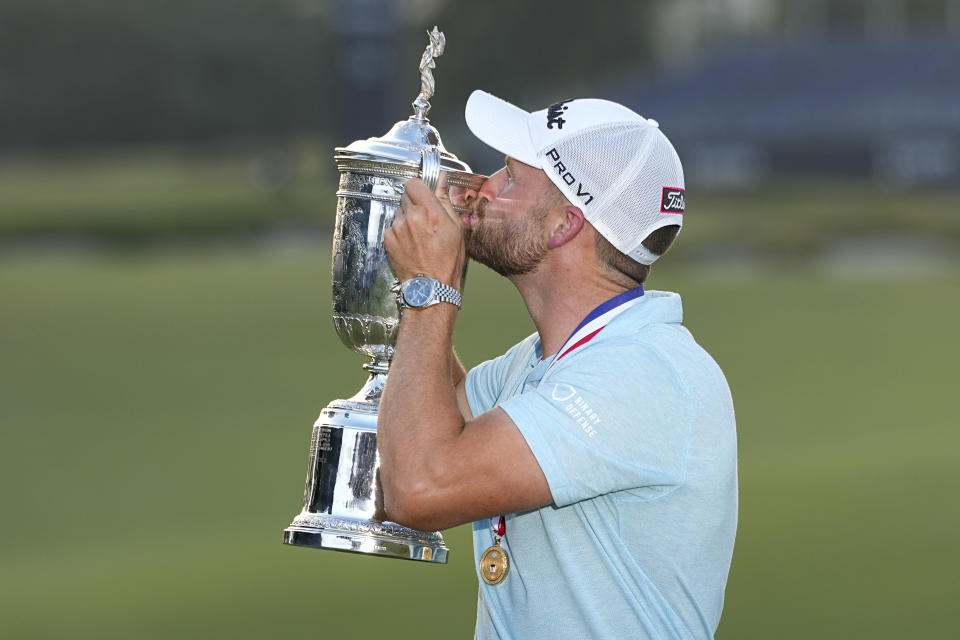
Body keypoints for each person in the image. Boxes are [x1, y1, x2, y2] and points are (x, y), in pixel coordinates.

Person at [379, 90, 737, 640]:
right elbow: (420, 434)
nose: (483, 186)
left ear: (564, 226)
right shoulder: (543, 361)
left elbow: (418, 487)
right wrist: (413, 276)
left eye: (510, 176)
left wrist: (430, 289)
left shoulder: (640, 375)